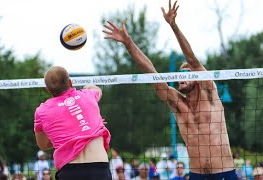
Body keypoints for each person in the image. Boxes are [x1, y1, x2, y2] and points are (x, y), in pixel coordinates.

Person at [102, 0, 237, 178]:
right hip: (196, 175)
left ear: (197, 78)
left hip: (224, 173)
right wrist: (128, 43)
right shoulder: (178, 104)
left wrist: (173, 26)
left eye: (186, 73)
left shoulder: (210, 94)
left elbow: (193, 59)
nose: (181, 76)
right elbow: (153, 75)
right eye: (179, 74)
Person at [34, 66, 111, 180]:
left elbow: (43, 145)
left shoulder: (41, 111)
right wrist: (82, 129)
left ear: (47, 90)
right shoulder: (88, 95)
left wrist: (66, 135)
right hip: (99, 169)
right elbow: (97, 89)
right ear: (70, 82)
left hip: (69, 171)